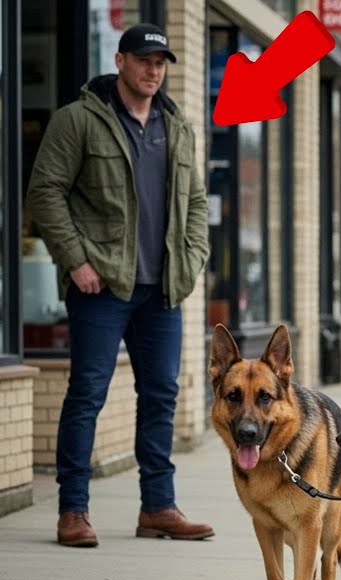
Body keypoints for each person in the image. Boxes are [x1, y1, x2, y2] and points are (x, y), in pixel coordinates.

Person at [26, 23, 212, 548]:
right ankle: (73, 511)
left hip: (163, 291)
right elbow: (45, 193)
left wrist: (193, 258)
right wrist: (76, 260)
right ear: (122, 60)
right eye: (145, 60)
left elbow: (195, 203)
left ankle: (158, 507)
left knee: (160, 396)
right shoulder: (78, 121)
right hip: (100, 286)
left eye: (161, 63)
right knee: (87, 393)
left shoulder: (177, 127)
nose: (154, 70)